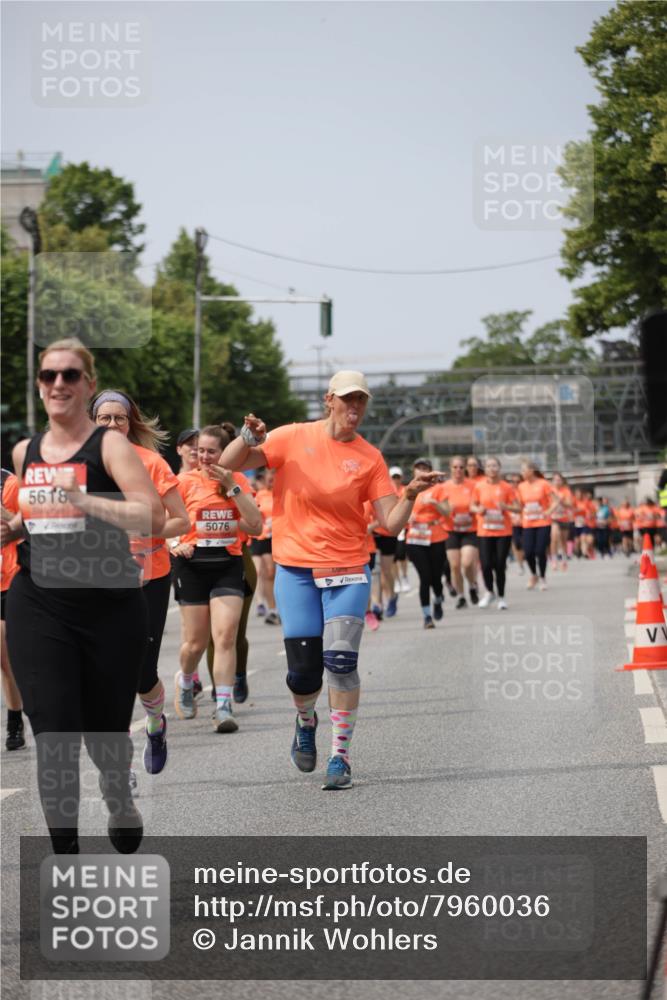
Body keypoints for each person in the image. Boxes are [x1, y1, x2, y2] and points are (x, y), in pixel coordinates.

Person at [220, 370, 436, 790]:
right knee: (303, 675)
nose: (355, 406)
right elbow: (228, 465)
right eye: (348, 398)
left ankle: (340, 755)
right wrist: (247, 438)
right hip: (296, 569)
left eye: (361, 400)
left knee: (340, 661)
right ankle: (306, 720)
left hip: (349, 568)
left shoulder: (369, 457)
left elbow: (390, 524)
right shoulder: (292, 436)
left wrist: (409, 494)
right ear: (329, 399)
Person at [3, 337, 164, 854]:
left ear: (87, 385)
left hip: (109, 606)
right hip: (39, 601)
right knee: (53, 735)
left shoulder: (110, 446)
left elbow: (151, 514)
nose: (58, 384)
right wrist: (12, 529)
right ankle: (66, 860)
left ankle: (118, 793)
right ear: (39, 385)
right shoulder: (25, 452)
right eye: (48, 375)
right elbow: (38, 518)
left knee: (104, 734)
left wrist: (86, 500)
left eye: (70, 375)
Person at [91, 389, 190, 775]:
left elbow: (181, 521)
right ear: (92, 422)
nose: (112, 424)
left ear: (130, 423)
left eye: (119, 418)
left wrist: (147, 527)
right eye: (104, 418)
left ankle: (155, 724)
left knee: (140, 672)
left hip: (149, 578)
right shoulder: (81, 465)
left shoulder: (151, 463)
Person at [172, 424, 262, 733]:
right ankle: (185, 680)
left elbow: (255, 525)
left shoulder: (238, 481)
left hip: (227, 564)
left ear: (226, 454)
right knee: (195, 644)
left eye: (212, 451)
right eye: (201, 451)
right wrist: (174, 543)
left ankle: (223, 706)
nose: (205, 457)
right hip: (192, 565)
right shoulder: (184, 482)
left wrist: (232, 487)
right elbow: (163, 521)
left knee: (225, 637)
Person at [470, 457, 519, 609]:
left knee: (499, 564)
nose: (492, 468)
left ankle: (502, 597)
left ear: (499, 468)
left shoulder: (506, 487)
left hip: (503, 532)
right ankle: (489, 592)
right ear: (485, 469)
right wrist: (479, 509)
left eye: (495, 466)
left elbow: (518, 508)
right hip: (484, 531)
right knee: (485, 564)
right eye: (489, 466)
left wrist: (506, 507)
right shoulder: (479, 486)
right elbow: (472, 506)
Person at [405, 458, 448, 628]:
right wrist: (407, 516)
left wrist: (436, 504)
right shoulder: (408, 490)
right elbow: (397, 512)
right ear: (414, 471)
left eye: (425, 468)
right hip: (415, 538)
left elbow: (447, 512)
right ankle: (427, 616)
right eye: (418, 468)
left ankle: (438, 599)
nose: (422, 470)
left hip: (435, 536)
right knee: (425, 577)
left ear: (431, 471)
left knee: (436, 578)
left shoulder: (438, 489)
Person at [1, 469, 25, 750]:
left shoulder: (11, 483)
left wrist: (4, 514)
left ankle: (15, 720)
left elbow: (29, 526)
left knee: (6, 658)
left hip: (10, 578)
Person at [440, 455, 479, 608]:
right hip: (451, 530)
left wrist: (476, 509)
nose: (458, 470)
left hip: (470, 529)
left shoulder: (473, 486)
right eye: (455, 467)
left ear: (465, 469)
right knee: (455, 566)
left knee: (467, 563)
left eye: (461, 467)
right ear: (450, 469)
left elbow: (479, 503)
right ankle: (461, 596)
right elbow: (439, 508)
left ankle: (472, 585)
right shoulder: (444, 487)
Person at [516, 461, 559, 589]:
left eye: (524, 470)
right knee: (528, 551)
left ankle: (543, 577)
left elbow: (556, 500)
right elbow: (519, 505)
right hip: (527, 523)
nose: (522, 473)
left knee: (540, 551)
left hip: (542, 522)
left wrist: (549, 511)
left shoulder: (543, 484)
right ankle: (534, 574)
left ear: (532, 470)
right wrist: (516, 515)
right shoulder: (521, 486)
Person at [250, 469, 279, 624]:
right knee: (265, 571)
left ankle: (276, 607)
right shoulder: (260, 495)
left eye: (274, 476)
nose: (271, 479)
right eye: (269, 476)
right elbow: (254, 514)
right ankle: (269, 607)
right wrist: (265, 525)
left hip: (279, 537)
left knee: (273, 572)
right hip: (262, 537)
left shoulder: (280, 493)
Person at [389, 467, 411, 593]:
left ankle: (404, 576)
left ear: (401, 478)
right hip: (390, 526)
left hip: (403, 527)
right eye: (393, 477)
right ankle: (397, 580)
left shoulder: (405, 490)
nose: (396, 480)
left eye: (398, 477)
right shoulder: (387, 491)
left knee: (402, 554)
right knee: (393, 557)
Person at [550, 472, 574, 570]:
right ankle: (554, 560)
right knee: (554, 537)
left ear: (562, 481)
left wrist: (560, 501)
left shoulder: (566, 491)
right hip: (553, 518)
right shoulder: (550, 490)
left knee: (563, 540)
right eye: (555, 480)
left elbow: (569, 504)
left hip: (564, 518)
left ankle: (564, 560)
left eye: (559, 480)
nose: (557, 482)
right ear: (552, 481)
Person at [507, 472, 525, 574]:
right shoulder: (508, 492)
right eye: (513, 482)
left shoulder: (525, 492)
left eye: (518, 481)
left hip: (526, 522)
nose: (515, 484)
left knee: (524, 544)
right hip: (513, 522)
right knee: (516, 543)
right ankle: (520, 564)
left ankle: (525, 559)